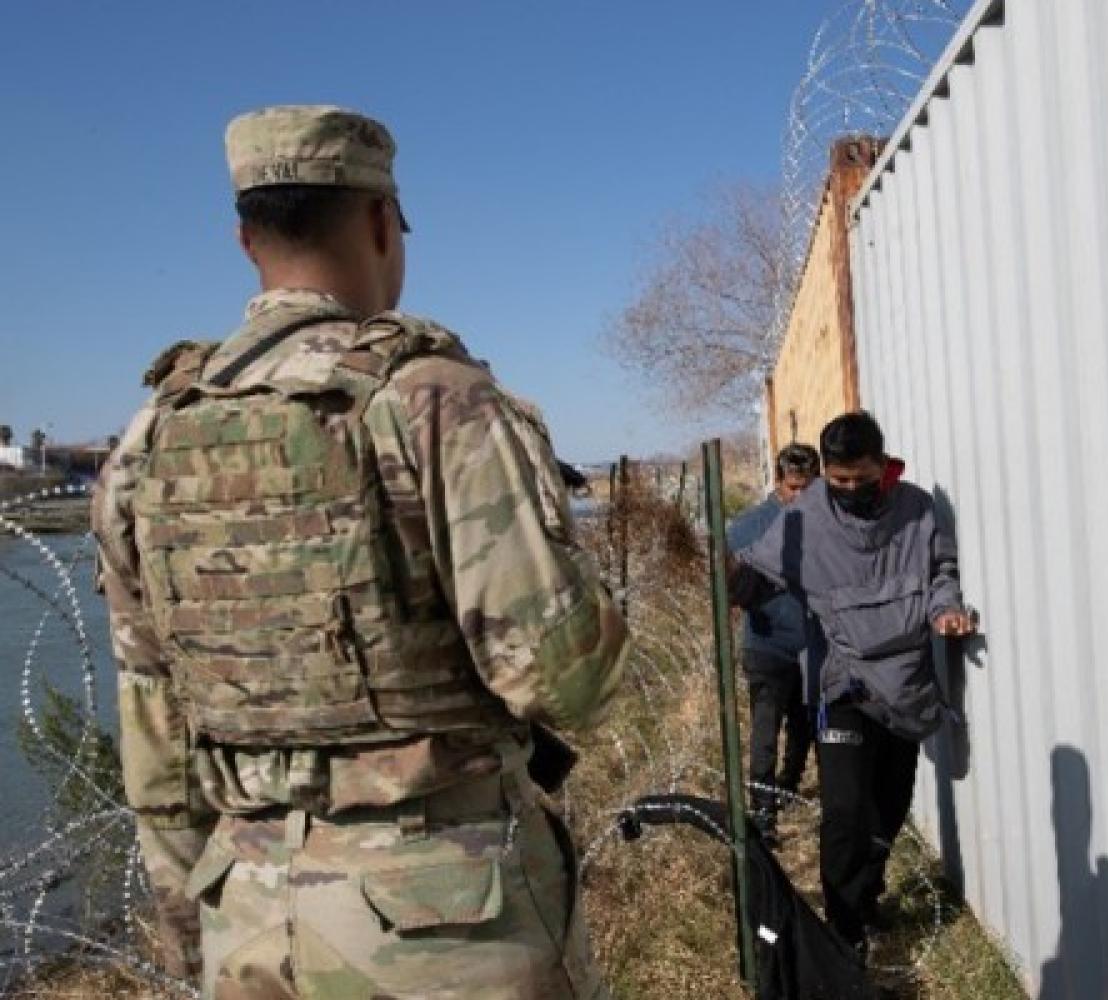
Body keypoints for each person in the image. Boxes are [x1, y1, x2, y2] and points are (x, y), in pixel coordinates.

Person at [92, 105, 628, 999]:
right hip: (449, 923)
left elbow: (156, 737)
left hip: (250, 918)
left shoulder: (147, 443)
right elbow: (564, 679)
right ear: (382, 221)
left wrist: (195, 931)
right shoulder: (435, 402)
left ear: (244, 239)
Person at [730, 412, 973, 956]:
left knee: (888, 805)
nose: (849, 489)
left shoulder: (915, 510)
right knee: (844, 812)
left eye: (861, 477)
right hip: (844, 688)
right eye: (838, 480)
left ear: (882, 465)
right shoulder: (805, 518)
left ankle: (868, 896)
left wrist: (946, 611)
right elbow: (756, 578)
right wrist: (725, 573)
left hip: (905, 684)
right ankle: (843, 932)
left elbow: (940, 572)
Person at [726, 443, 821, 834]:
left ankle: (789, 785)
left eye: (808, 487)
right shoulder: (748, 526)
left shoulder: (824, 521)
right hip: (766, 644)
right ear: (778, 481)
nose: (799, 496)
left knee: (804, 724)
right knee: (765, 729)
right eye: (793, 487)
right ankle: (763, 811)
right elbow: (733, 588)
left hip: (813, 644)